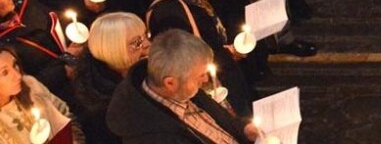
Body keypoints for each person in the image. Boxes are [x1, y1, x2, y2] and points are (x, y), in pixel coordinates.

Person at [146, 0, 253, 115]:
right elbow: (184, 58)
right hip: (206, 85)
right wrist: (226, 54)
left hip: (220, 69)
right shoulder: (170, 15)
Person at [106, 29, 258, 142]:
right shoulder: (152, 135)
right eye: (200, 75)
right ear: (170, 83)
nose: (206, 79)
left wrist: (245, 129)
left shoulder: (184, 89)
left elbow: (224, 121)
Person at [73, 12, 150, 144]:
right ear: (114, 50)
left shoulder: (143, 69)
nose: (148, 44)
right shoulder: (102, 110)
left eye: (146, 35)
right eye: (137, 42)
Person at [0, 45, 85, 142]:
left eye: (15, 65)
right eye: (5, 72)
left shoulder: (29, 85)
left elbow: (65, 114)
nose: (18, 75)